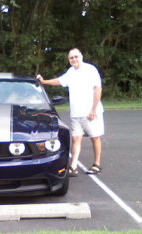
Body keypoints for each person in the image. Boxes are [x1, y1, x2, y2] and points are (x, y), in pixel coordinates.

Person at [36, 48, 104, 176]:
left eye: (76, 57)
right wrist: (44, 82)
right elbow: (59, 81)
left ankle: (97, 164)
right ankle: (73, 166)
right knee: (76, 138)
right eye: (71, 58)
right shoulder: (71, 72)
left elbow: (98, 89)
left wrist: (93, 110)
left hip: (90, 112)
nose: (74, 59)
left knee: (95, 137)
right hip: (76, 113)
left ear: (81, 56)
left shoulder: (90, 70)